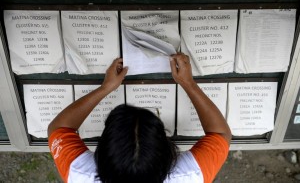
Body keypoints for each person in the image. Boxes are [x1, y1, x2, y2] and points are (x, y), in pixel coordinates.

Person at [48, 53, 231, 183]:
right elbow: (220, 133)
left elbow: (59, 129)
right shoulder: (189, 175)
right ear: (167, 156)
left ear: (102, 156)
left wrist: (105, 88)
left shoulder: (80, 174)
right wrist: (188, 83)